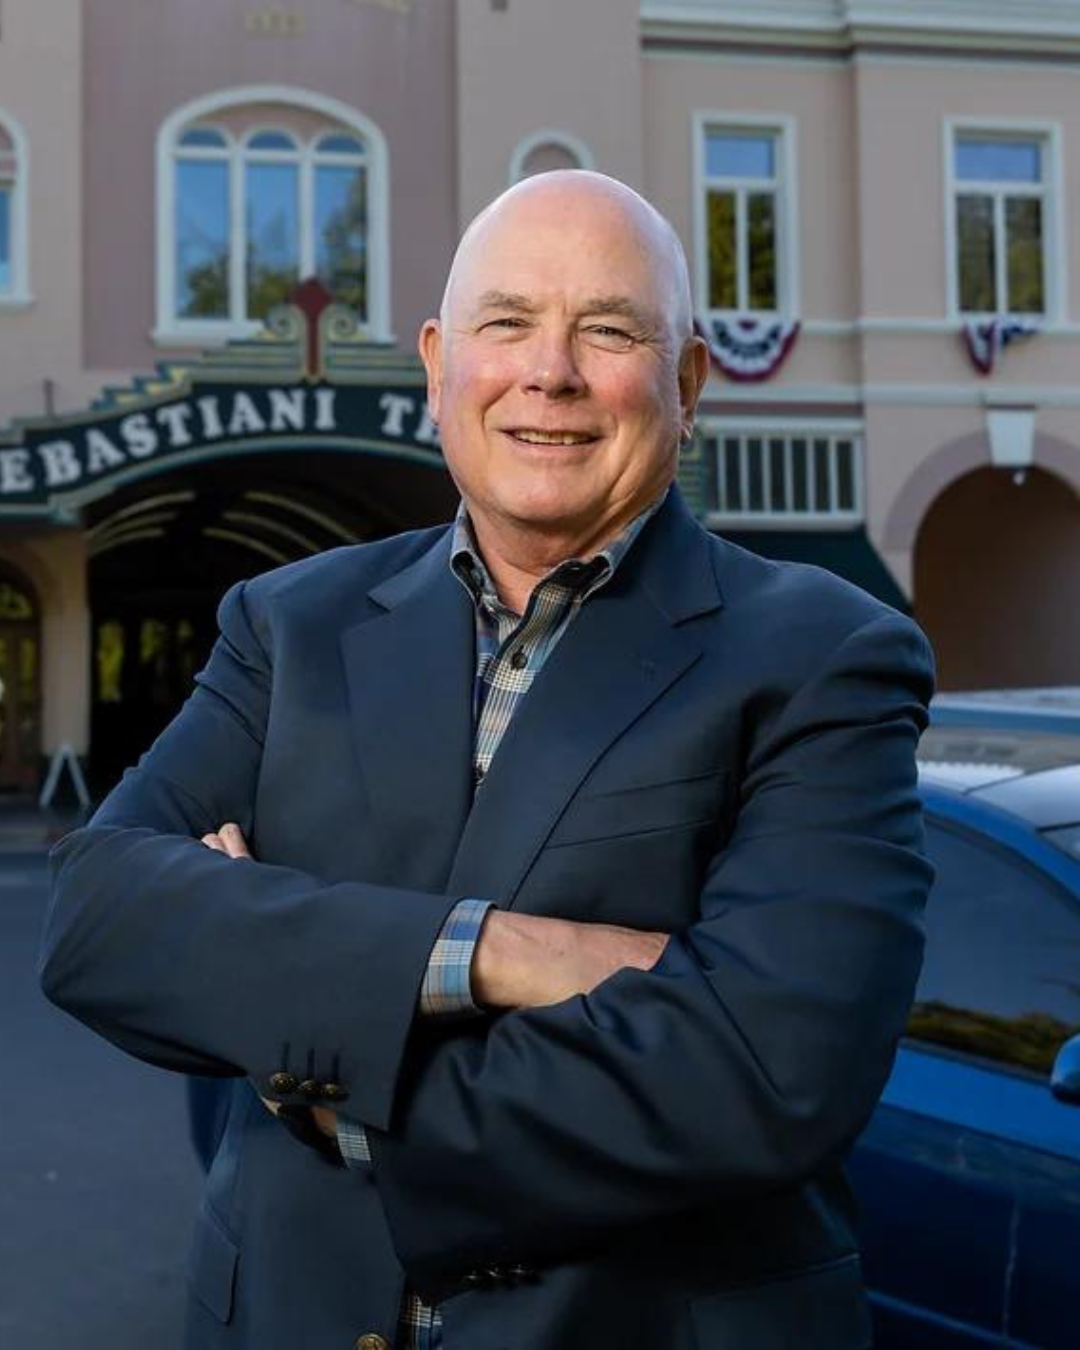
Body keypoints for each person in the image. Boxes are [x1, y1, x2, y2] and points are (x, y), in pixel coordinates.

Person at [40, 171, 934, 1349]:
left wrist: (317, 1054)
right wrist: (499, 954)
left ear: (689, 382)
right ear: (435, 361)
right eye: (505, 323)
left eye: (609, 331)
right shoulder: (288, 623)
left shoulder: (826, 654)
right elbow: (100, 919)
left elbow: (770, 1072)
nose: (549, 372)